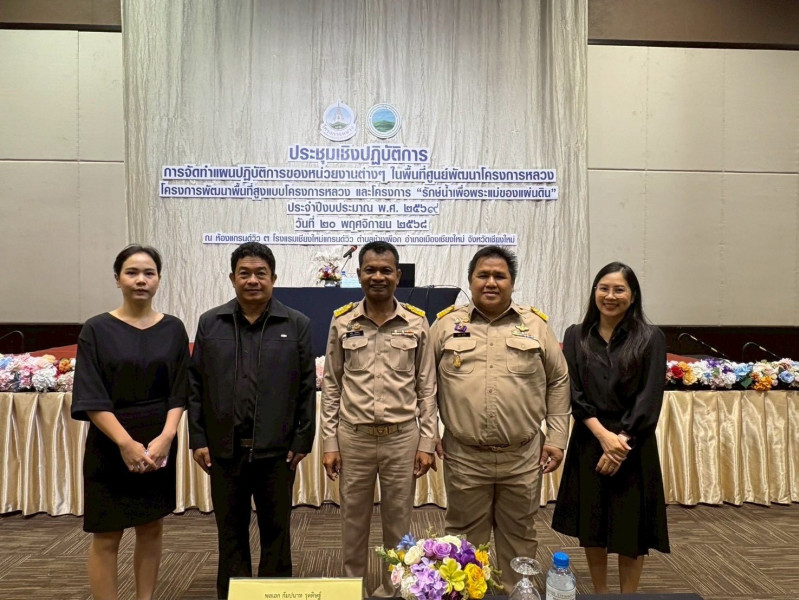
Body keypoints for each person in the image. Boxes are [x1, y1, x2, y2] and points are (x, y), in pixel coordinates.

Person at [430, 245, 570, 593]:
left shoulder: (535, 325)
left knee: (519, 536)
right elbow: (424, 383)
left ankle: (514, 593)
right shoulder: (445, 325)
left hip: (522, 455)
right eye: (483, 275)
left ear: (512, 282)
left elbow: (559, 380)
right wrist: (427, 431)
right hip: (465, 456)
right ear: (470, 281)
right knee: (462, 539)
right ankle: (465, 595)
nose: (491, 282)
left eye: (499, 276)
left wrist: (556, 438)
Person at [188, 242, 316, 600]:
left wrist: (302, 440)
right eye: (244, 273)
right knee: (230, 533)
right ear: (232, 278)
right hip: (224, 450)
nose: (253, 280)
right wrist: (198, 438)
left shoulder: (296, 324)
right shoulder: (210, 322)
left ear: (274, 278)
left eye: (261, 273)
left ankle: (275, 595)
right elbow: (195, 385)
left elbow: (307, 387)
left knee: (277, 532)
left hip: (277, 452)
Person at [71, 244, 190, 600]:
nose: (141, 280)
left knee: (151, 527)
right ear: (118, 279)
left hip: (158, 441)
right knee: (107, 534)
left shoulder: (173, 328)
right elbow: (91, 394)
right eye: (132, 273)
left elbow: (180, 390)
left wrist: (167, 437)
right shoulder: (96, 329)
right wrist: (124, 443)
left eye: (149, 273)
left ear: (159, 279)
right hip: (110, 442)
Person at [320, 241, 437, 597]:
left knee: (399, 523)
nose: (378, 276)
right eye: (370, 270)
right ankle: (352, 589)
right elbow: (332, 385)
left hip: (402, 438)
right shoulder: (343, 321)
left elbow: (426, 386)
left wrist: (427, 442)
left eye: (386, 270)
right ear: (358, 275)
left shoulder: (416, 321)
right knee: (352, 522)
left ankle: (393, 590)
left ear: (398, 276)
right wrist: (329, 442)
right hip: (353, 437)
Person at [551, 261, 669, 594]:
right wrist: (604, 437)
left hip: (633, 443)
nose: (610, 296)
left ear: (633, 296)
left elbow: (650, 397)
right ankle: (600, 594)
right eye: (603, 288)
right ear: (594, 292)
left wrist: (621, 443)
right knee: (593, 526)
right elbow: (573, 391)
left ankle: (627, 596)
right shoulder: (576, 335)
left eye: (619, 290)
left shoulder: (651, 337)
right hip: (590, 438)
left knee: (632, 530)